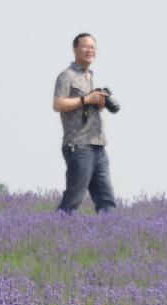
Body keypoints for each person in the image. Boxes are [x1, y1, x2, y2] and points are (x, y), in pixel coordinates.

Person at [52, 33, 116, 214]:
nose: (90, 50)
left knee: (107, 200)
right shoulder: (66, 76)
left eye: (93, 47)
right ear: (75, 49)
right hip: (79, 145)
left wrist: (99, 104)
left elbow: (83, 108)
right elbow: (58, 104)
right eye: (85, 46)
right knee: (74, 199)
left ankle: (110, 236)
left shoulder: (90, 76)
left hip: (98, 145)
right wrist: (87, 99)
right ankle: (55, 230)